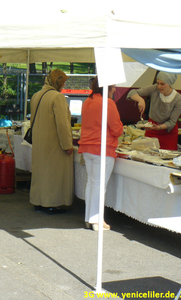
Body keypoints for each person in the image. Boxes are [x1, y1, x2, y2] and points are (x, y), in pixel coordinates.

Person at [78, 77, 123, 231]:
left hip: (87, 147)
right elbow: (117, 129)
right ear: (107, 88)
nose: (115, 90)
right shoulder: (108, 103)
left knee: (91, 183)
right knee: (98, 185)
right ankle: (96, 219)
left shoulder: (88, 101)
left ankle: (90, 217)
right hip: (103, 148)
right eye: (113, 87)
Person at [29, 69, 73, 214]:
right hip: (53, 142)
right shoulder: (57, 97)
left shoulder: (36, 95)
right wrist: (67, 144)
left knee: (40, 173)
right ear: (58, 81)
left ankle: (38, 201)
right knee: (52, 175)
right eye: (63, 81)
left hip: (39, 140)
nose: (64, 84)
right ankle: (50, 203)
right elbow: (62, 124)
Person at [127, 72, 181, 150]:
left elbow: (172, 122)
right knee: (148, 154)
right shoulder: (154, 89)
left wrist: (159, 127)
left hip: (168, 133)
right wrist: (140, 100)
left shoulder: (178, 99)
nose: (159, 86)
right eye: (158, 83)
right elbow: (132, 93)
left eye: (162, 84)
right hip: (152, 130)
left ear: (169, 83)